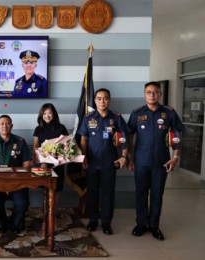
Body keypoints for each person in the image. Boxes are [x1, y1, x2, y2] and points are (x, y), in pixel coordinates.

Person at [127, 81, 183, 241]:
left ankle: (154, 226)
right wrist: (130, 157)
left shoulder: (169, 113)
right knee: (141, 194)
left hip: (161, 162)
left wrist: (176, 157)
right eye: (148, 92)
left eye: (155, 92)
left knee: (157, 194)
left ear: (160, 94)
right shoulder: (137, 113)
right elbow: (130, 135)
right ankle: (141, 224)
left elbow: (177, 134)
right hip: (141, 161)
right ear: (144, 94)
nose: (152, 95)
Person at [77, 88, 129, 235]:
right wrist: (83, 157)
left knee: (107, 194)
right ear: (95, 100)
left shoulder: (117, 118)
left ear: (109, 100)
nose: (102, 101)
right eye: (99, 98)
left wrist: (124, 156)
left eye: (105, 98)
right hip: (92, 163)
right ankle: (93, 221)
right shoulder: (88, 118)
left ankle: (106, 223)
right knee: (92, 193)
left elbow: (125, 138)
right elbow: (84, 139)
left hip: (109, 163)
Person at [0, 115, 32, 234]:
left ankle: (15, 223)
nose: (4, 126)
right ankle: (3, 223)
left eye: (7, 123)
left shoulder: (20, 142)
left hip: (17, 182)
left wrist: (19, 177)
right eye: (2, 124)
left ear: (12, 126)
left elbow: (27, 163)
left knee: (23, 203)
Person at [32, 103, 69, 216]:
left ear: (54, 114)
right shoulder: (38, 129)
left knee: (56, 190)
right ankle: (45, 214)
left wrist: (59, 155)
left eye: (49, 113)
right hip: (44, 164)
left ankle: (53, 214)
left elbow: (67, 145)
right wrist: (37, 159)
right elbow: (35, 146)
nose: (47, 116)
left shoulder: (61, 127)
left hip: (58, 164)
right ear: (41, 115)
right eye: (44, 113)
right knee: (45, 189)